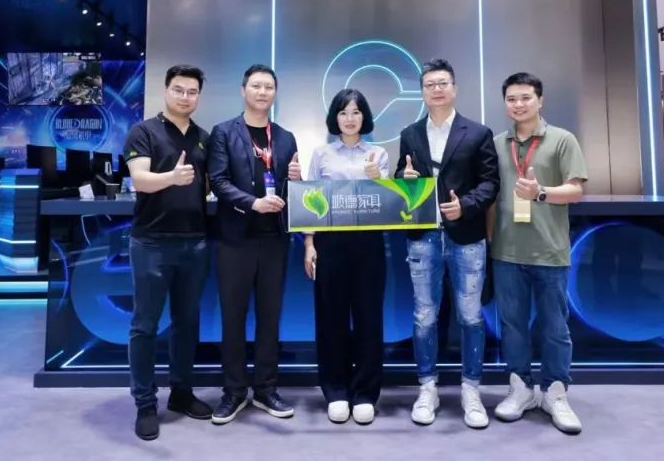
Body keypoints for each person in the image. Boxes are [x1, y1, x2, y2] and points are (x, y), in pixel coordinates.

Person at [395, 58, 499, 429]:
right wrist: (404, 177)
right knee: (424, 316)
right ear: (422, 92)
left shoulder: (478, 132)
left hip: (466, 237)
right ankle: (428, 388)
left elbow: (491, 183)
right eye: (429, 85)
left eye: (442, 83)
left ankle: (471, 389)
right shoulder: (410, 133)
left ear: (454, 88)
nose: (436, 90)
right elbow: (402, 178)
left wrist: (465, 206)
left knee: (470, 316)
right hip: (423, 238)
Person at [491, 72, 587, 435]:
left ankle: (555, 393)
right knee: (512, 326)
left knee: (555, 327)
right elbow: (491, 197)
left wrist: (540, 193)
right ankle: (520, 388)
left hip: (549, 251)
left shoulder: (562, 139)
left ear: (540, 100)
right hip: (506, 251)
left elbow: (575, 190)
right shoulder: (497, 143)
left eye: (526, 98)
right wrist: (488, 241)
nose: (518, 104)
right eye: (512, 99)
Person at [207, 64, 302, 424]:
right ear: (243, 90)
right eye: (256, 86)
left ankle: (265, 389)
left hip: (275, 239)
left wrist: (295, 179)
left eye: (269, 87)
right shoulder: (223, 132)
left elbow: (291, 190)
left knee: (270, 317)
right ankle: (233, 392)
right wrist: (253, 203)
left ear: (275, 93)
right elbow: (218, 181)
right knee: (233, 317)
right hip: (236, 239)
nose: (263, 92)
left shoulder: (286, 137)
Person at [123, 64, 213, 442]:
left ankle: (181, 392)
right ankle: (145, 403)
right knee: (145, 325)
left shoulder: (204, 138)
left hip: (195, 242)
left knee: (186, 323)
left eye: (192, 92)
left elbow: (214, 184)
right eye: (179, 90)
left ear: (198, 96)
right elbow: (140, 180)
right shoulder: (144, 131)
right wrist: (171, 178)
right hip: (151, 243)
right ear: (166, 91)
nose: (185, 97)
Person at [302, 89, 389, 425]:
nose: (350, 118)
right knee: (331, 318)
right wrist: (309, 244)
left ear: (364, 116)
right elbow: (309, 200)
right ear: (334, 118)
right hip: (330, 244)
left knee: (369, 318)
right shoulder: (322, 154)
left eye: (355, 112)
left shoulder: (379, 154)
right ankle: (335, 390)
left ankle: (365, 393)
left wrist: (379, 179)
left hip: (369, 245)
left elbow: (390, 203)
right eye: (343, 112)